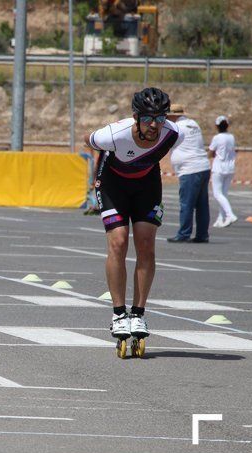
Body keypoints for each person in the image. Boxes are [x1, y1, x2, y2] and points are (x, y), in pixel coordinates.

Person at [84, 87, 183, 356]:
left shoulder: (173, 134)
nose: (155, 126)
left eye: (161, 118)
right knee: (118, 242)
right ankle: (118, 313)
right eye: (149, 119)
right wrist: (95, 179)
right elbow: (89, 140)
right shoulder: (115, 133)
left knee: (146, 244)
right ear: (136, 117)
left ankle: (138, 313)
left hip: (147, 186)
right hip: (113, 186)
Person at [166, 104, 211, 243]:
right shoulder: (193, 123)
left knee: (187, 203)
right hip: (203, 166)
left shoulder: (177, 127)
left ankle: (184, 233)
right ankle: (202, 235)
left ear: (173, 116)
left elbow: (166, 143)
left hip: (189, 169)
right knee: (202, 204)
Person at [209, 115, 237, 228]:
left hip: (219, 168)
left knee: (217, 194)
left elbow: (211, 153)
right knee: (223, 195)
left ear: (217, 126)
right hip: (230, 167)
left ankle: (230, 215)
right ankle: (221, 218)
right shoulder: (231, 137)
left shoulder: (217, 138)